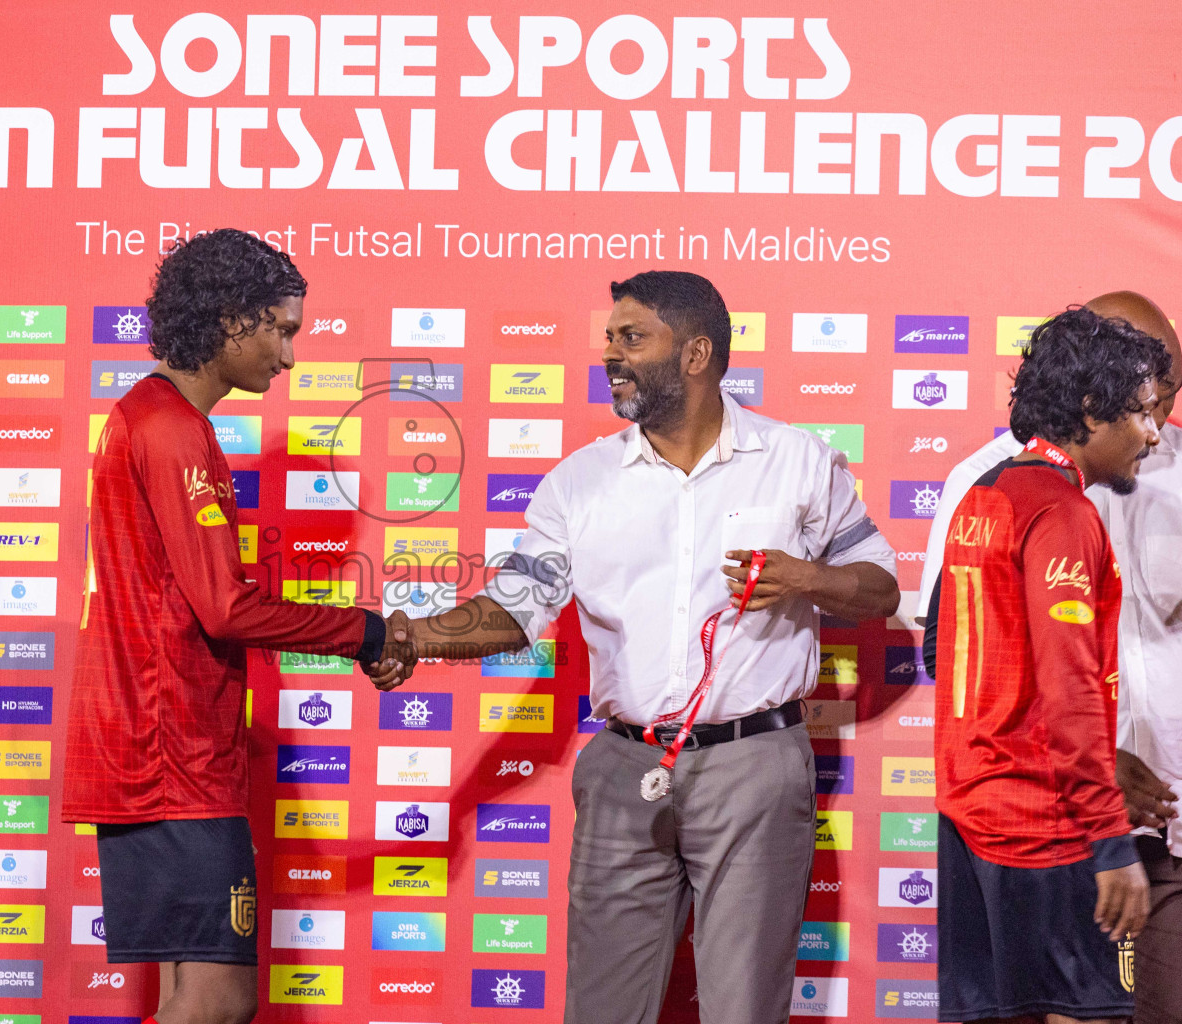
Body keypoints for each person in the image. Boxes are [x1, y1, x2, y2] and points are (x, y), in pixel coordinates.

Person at [369, 270, 899, 1024]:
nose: (610, 354)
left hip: (755, 768)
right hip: (623, 768)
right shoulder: (580, 482)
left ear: (696, 353)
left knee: (743, 1009)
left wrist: (808, 578)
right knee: (602, 1009)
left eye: (631, 338)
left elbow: (880, 589)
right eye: (608, 339)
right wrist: (410, 637)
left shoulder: (798, 462)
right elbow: (515, 608)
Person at [61, 229, 409, 1024]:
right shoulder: (172, 427)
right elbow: (225, 606)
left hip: (164, 741)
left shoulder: (155, 416)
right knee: (218, 999)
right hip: (167, 748)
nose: (288, 357)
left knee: (198, 994)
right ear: (229, 322)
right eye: (281, 330)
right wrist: (368, 633)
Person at [918, 292, 1182, 1023]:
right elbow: (1069, 691)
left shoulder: (990, 493)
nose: (1155, 434)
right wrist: (1108, 840)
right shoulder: (1063, 512)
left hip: (970, 817)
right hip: (1047, 821)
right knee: (1081, 1014)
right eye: (1143, 411)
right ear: (1092, 408)